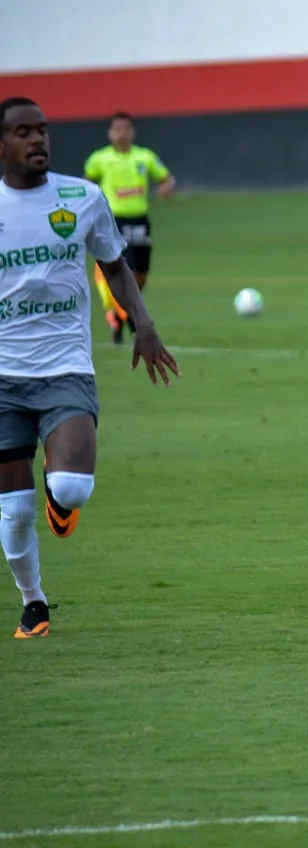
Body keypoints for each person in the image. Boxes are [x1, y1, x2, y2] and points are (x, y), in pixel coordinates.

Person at [0, 97, 180, 638]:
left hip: (65, 369)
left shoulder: (81, 198)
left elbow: (113, 265)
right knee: (14, 511)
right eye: (23, 132)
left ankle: (62, 496)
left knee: (73, 489)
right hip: (4, 379)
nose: (37, 140)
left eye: (43, 131)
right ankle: (34, 602)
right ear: (2, 144)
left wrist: (142, 323)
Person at [84, 111, 176, 345]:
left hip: (140, 220)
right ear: (110, 133)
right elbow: (86, 183)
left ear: (132, 132)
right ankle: (131, 317)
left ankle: (120, 312)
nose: (121, 133)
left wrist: (166, 187)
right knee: (122, 271)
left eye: (126, 128)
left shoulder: (144, 157)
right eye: (117, 129)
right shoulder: (99, 159)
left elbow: (166, 178)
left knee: (141, 275)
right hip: (115, 221)